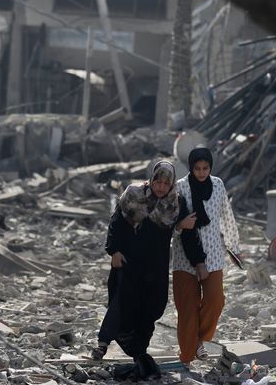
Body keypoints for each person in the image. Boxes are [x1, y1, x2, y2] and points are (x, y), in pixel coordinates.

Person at [98, 161, 192, 380]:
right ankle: (103, 343)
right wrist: (114, 251)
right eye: (157, 181)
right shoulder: (133, 195)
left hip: (156, 267)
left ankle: (139, 350)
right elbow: (116, 223)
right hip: (129, 262)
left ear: (171, 184)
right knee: (123, 302)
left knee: (153, 307)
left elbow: (187, 230)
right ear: (151, 179)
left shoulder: (176, 204)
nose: (160, 186)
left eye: (165, 182)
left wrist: (198, 260)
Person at [171, 147, 241, 366]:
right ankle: (186, 358)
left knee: (215, 301)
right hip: (184, 256)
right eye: (197, 168)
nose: (201, 173)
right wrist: (180, 226)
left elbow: (226, 215)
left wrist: (233, 247)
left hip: (213, 254)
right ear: (191, 168)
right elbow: (171, 221)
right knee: (187, 309)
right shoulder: (180, 187)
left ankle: (199, 340)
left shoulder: (218, 185)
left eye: (205, 168)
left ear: (210, 167)